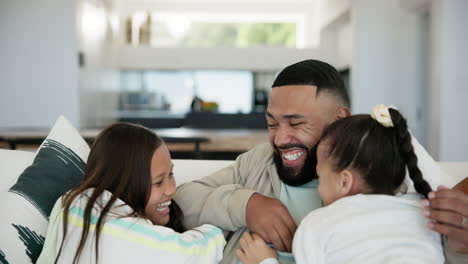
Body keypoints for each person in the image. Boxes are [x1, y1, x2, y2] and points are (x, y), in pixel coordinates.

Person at [174, 59, 468, 264]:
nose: (279, 139)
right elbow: (181, 200)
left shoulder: (385, 173)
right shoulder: (259, 162)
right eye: (272, 124)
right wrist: (247, 205)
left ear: (339, 119)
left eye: (296, 123)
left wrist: (459, 242)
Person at [236, 105, 444, 264]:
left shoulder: (318, 223)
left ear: (344, 182)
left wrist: (264, 260)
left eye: (320, 177)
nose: (318, 189)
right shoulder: (425, 213)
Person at [37, 123, 225, 264]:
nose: (171, 189)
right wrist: (216, 232)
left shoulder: (69, 202)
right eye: (159, 182)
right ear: (124, 184)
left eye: (171, 174)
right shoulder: (121, 232)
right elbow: (191, 254)